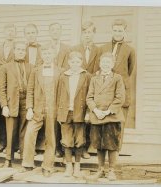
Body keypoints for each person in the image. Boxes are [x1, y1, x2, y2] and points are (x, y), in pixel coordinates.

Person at [21, 46, 63, 177]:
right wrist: (29, 108)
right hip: (37, 110)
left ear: (53, 54)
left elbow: (62, 93)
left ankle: (47, 166)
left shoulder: (60, 71)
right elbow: (30, 90)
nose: (47, 55)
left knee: (51, 139)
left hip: (53, 110)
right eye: (44, 53)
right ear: (42, 56)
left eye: (49, 53)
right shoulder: (35, 71)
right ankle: (27, 164)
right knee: (29, 134)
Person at [86, 52, 125, 181]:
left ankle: (112, 170)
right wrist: (96, 110)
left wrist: (108, 112)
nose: (105, 65)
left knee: (111, 144)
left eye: (108, 62)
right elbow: (89, 97)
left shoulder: (117, 78)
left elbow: (120, 98)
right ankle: (101, 169)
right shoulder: (94, 78)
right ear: (100, 63)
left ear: (112, 64)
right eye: (103, 62)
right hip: (97, 116)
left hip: (111, 117)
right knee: (99, 144)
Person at [98, 19, 136, 147]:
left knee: (119, 121)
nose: (117, 33)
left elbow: (129, 70)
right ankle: (104, 149)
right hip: (105, 90)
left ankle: (116, 150)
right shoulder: (103, 48)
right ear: (111, 30)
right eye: (115, 30)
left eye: (120, 30)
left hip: (121, 91)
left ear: (125, 31)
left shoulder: (130, 50)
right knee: (105, 121)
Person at [0, 41, 33, 168]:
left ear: (25, 52)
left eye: (23, 50)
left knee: (25, 131)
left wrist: (30, 106)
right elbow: (2, 88)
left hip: (25, 101)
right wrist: (4, 106)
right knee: (10, 131)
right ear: (14, 51)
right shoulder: (5, 67)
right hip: (11, 102)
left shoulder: (31, 67)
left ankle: (24, 158)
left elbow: (32, 87)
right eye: (18, 49)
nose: (20, 52)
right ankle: (8, 159)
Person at [57, 51, 91, 177]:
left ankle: (77, 165)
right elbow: (59, 95)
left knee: (79, 139)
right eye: (72, 62)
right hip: (66, 112)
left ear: (81, 62)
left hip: (80, 112)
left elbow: (90, 95)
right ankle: (68, 166)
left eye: (77, 62)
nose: (75, 64)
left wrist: (88, 112)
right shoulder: (63, 76)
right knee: (66, 140)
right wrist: (59, 113)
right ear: (68, 62)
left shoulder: (86, 76)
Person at [70, 20, 101, 159]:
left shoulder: (98, 50)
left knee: (88, 117)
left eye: (89, 32)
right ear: (81, 34)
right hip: (78, 87)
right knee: (76, 117)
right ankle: (73, 147)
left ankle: (85, 148)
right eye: (84, 32)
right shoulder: (75, 49)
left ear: (94, 34)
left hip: (93, 86)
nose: (87, 35)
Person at [46, 22, 71, 157]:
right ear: (49, 32)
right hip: (49, 86)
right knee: (50, 117)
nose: (55, 32)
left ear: (61, 31)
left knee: (61, 115)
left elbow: (69, 66)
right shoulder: (45, 47)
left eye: (57, 29)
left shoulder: (67, 48)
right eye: (53, 29)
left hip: (62, 84)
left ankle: (61, 147)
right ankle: (51, 146)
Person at [0, 23, 17, 153]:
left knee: (13, 114)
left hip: (13, 85)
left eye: (12, 31)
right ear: (4, 33)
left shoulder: (19, 48)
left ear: (15, 33)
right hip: (0, 84)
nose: (10, 33)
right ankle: (2, 142)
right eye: (8, 31)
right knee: (1, 114)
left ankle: (13, 145)